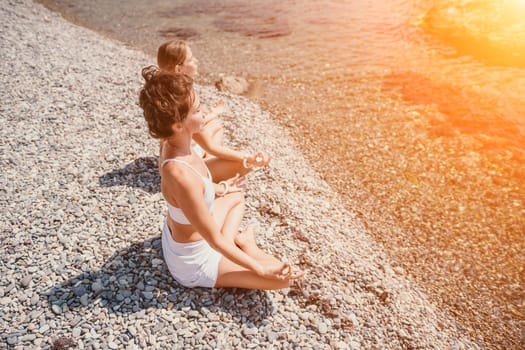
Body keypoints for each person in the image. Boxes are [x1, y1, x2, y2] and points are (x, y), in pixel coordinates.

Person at [138, 66, 303, 289]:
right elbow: (213, 240)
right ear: (178, 125)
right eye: (197, 110)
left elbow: (195, 192)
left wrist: (221, 188)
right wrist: (259, 267)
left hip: (186, 236)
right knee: (284, 281)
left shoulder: (174, 142)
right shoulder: (179, 174)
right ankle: (247, 246)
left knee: (235, 195)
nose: (203, 112)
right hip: (194, 261)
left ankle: (238, 241)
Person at [157, 39, 268, 182]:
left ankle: (209, 160)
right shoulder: (182, 100)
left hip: (169, 159)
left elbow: (191, 125)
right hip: (183, 172)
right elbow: (211, 147)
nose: (196, 61)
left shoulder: (165, 89)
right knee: (244, 166)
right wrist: (249, 157)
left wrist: (213, 114)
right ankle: (208, 169)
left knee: (215, 125)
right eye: (191, 59)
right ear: (179, 69)